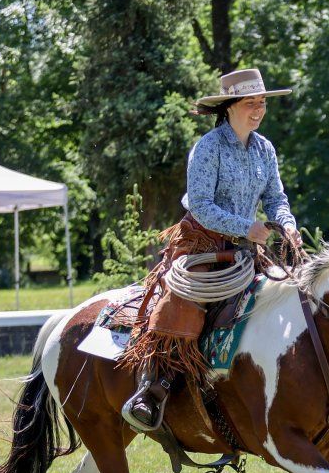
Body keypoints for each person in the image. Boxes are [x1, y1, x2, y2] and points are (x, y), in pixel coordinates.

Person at [122, 68, 302, 431]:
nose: (258, 109)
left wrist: (286, 223)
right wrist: (246, 227)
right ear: (230, 107)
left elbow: (275, 197)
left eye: (262, 103)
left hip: (247, 248)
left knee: (291, 295)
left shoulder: (265, 148)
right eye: (251, 103)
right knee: (182, 309)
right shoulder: (208, 148)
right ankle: (153, 390)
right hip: (201, 242)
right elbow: (201, 205)